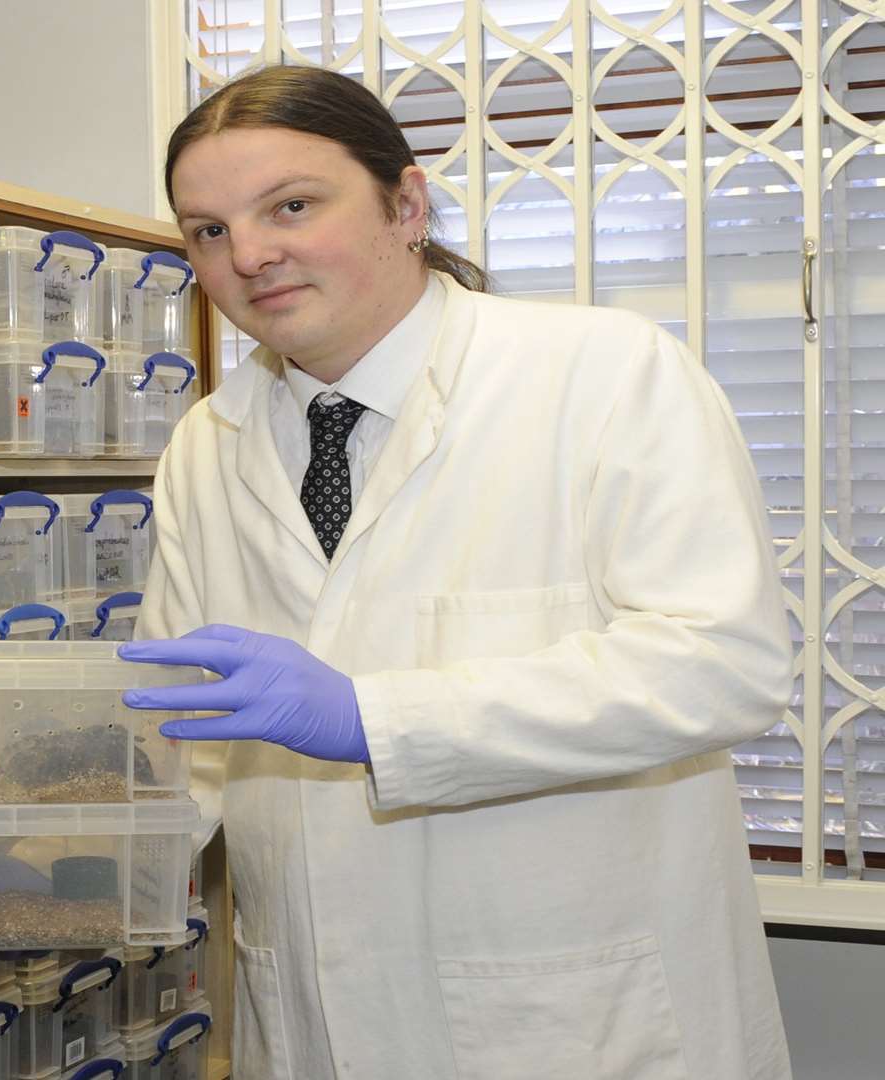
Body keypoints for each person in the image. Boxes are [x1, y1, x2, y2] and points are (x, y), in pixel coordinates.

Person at [119, 65, 792, 1079]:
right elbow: (191, 729)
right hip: (307, 1011)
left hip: (570, 1018)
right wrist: (85, 849)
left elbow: (721, 663)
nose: (250, 254)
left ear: (405, 203)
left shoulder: (605, 376)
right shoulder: (206, 447)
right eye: (208, 230)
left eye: (292, 206)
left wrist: (377, 717)